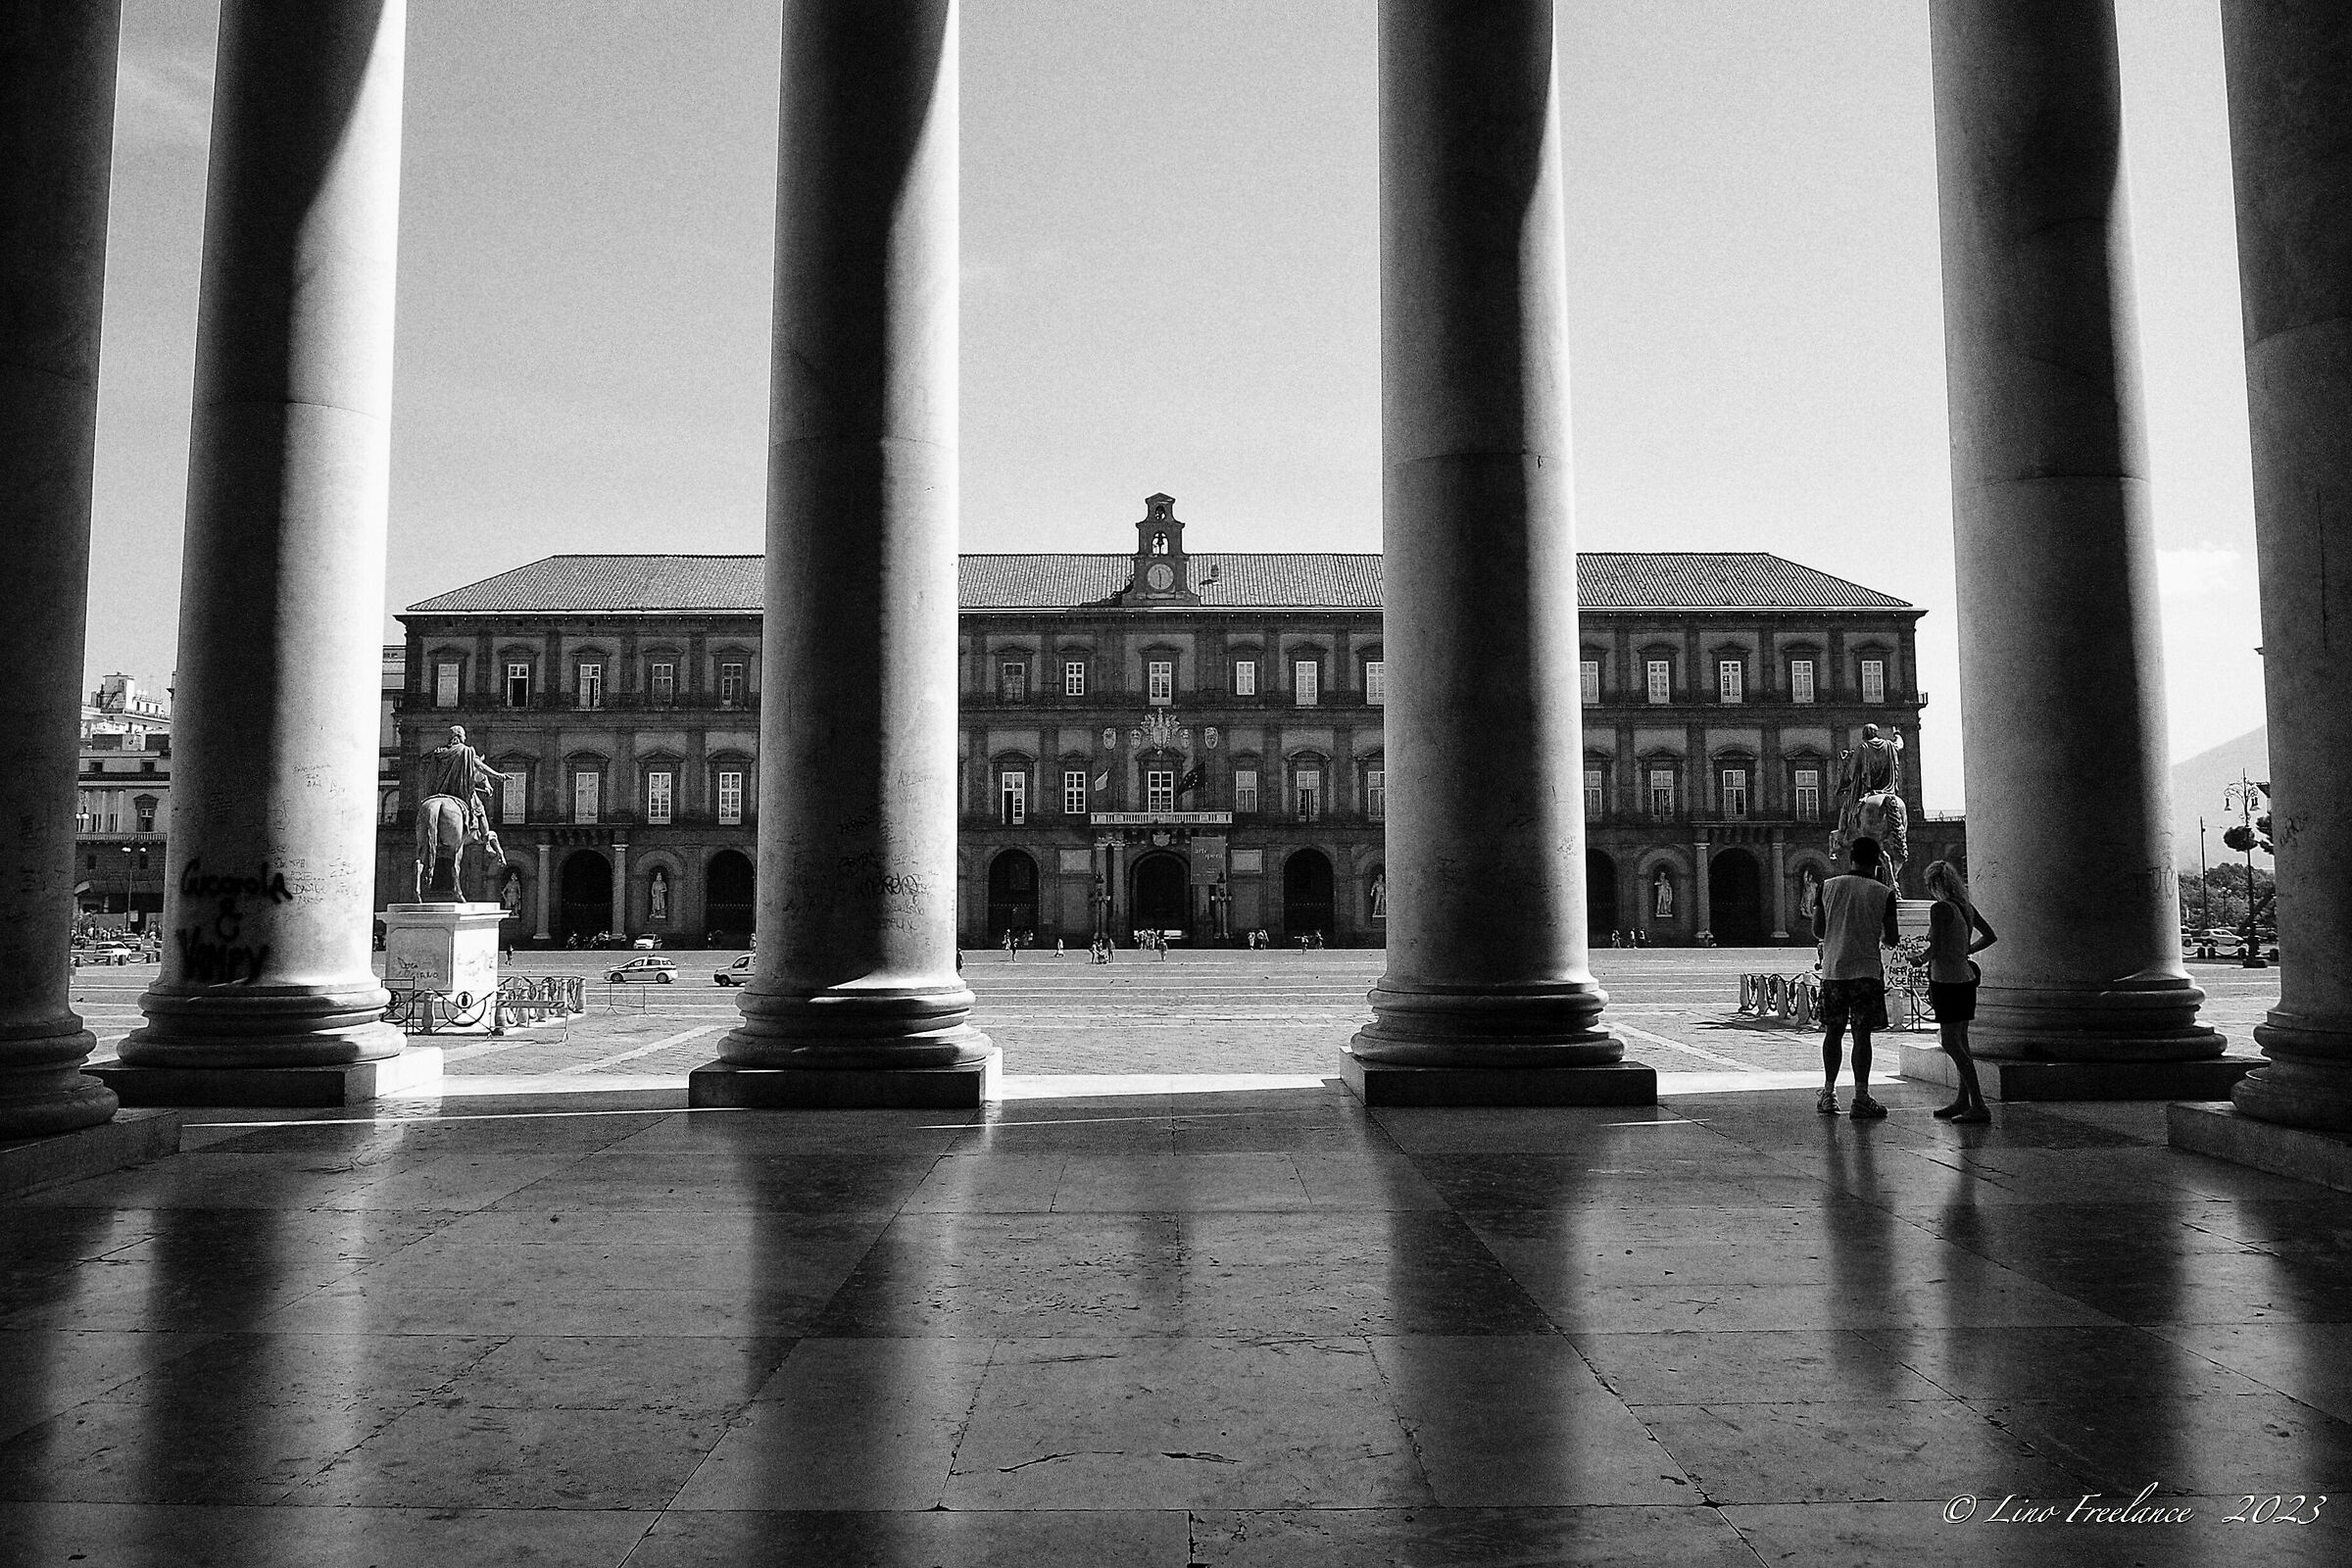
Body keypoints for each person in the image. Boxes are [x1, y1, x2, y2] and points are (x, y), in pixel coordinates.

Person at [1812, 835, 1900, 1118]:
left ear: (1851, 858)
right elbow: (1893, 938)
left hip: (1834, 970)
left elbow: (1817, 930)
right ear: (1877, 862)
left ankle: (1828, 1094)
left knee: (1833, 1033)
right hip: (1866, 971)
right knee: (1862, 1036)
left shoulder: (1827, 887)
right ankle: (1861, 1096)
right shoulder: (1884, 893)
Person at [1925, 859, 1998, 1123]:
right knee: (1962, 1041)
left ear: (1935, 885)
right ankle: (1962, 1099)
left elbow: (1935, 948)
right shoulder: (1966, 908)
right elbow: (1989, 936)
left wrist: (1918, 959)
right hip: (1966, 978)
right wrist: (1967, 950)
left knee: (1950, 1042)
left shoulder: (1940, 908)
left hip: (1946, 981)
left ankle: (1978, 1103)